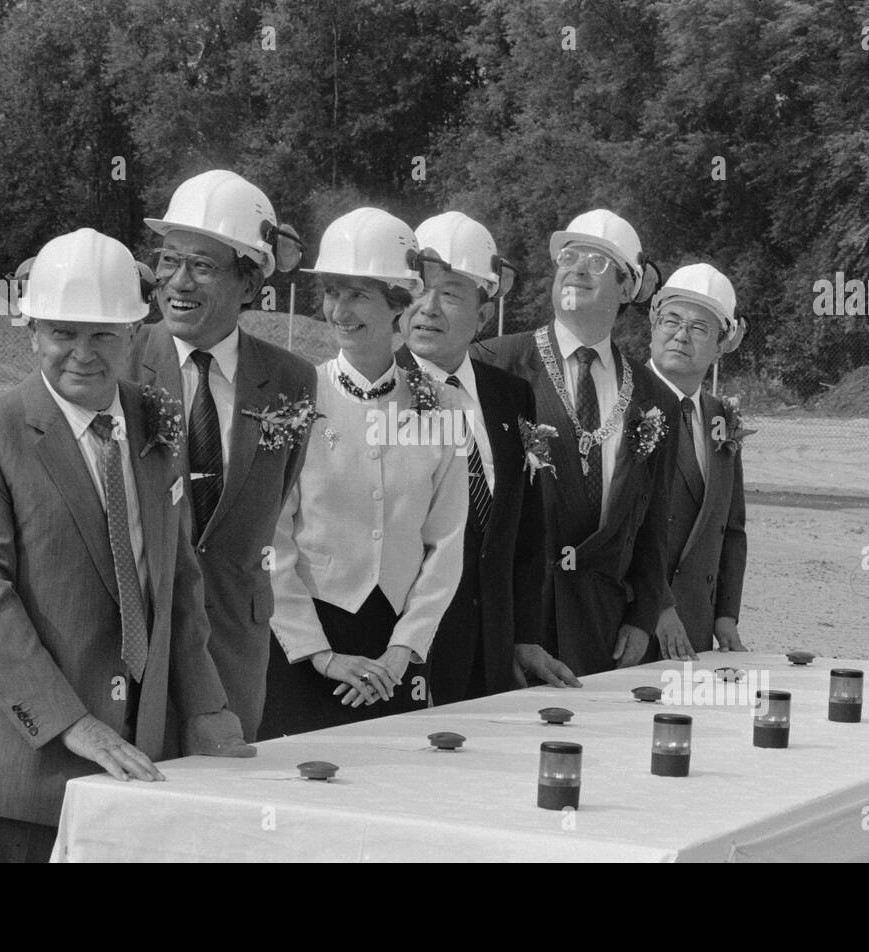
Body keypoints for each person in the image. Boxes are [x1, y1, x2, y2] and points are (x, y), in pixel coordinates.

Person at [0, 229, 252, 863]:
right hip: (12, 769)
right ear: (32, 331)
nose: (83, 354)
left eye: (103, 335)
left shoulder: (159, 422)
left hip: (133, 759)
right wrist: (71, 723)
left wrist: (205, 707)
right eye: (64, 332)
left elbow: (179, 580)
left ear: (134, 335)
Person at [259, 208, 467, 738]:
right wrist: (321, 655)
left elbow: (446, 541)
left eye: (358, 294)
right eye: (333, 291)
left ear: (400, 303)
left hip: (395, 653)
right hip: (302, 645)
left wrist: (404, 650)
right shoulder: (296, 395)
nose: (339, 310)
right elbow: (271, 540)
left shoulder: (440, 408)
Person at [129, 170, 317, 741]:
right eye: (169, 260)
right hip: (139, 643)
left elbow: (269, 501)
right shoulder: (118, 362)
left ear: (249, 282)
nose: (177, 282)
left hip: (235, 642)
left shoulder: (292, 381)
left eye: (203, 266)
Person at [473, 209, 696, 676]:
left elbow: (655, 524)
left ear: (626, 287)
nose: (575, 268)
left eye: (596, 261)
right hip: (511, 623)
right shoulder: (494, 364)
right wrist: (513, 632)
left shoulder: (656, 399)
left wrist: (642, 617)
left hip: (605, 630)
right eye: (568, 257)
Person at [397, 211, 580, 703]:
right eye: (417, 290)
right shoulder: (378, 394)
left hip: (491, 653)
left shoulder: (510, 396)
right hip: (406, 655)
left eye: (451, 294)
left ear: (482, 314)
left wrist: (522, 636)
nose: (427, 308)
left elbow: (524, 532)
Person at [647, 264, 749, 654]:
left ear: (722, 344)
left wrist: (725, 616)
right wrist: (656, 604)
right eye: (671, 320)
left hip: (697, 629)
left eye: (699, 328)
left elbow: (730, 528)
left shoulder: (721, 417)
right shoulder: (621, 403)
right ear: (653, 325)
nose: (680, 335)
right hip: (631, 624)